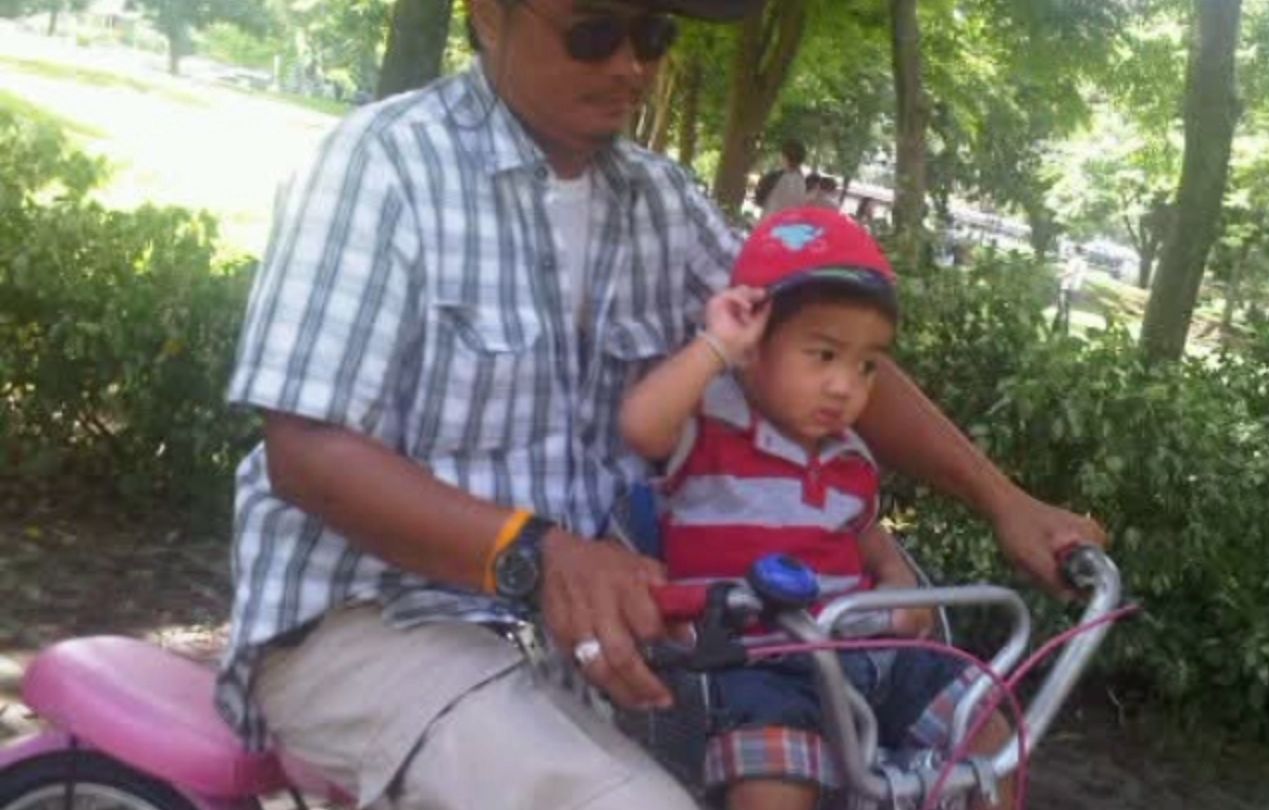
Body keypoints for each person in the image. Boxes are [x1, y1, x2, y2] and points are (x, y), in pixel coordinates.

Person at [219, 0, 1103, 807]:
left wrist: (1004, 501)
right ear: (488, 14)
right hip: (379, 619)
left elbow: (817, 344)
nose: (631, 65)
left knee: (953, 765)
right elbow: (307, 451)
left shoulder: (662, 200)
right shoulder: (380, 165)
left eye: (653, 34)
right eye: (594, 31)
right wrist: (539, 555)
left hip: (612, 629)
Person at [619, 207, 1012, 809]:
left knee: (990, 731)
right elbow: (640, 426)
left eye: (866, 365)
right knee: (771, 787)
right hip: (760, 663)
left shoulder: (848, 456)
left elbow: (867, 537)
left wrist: (898, 580)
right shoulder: (709, 426)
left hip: (869, 652)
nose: (844, 385)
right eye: (824, 356)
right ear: (754, 345)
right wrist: (717, 345)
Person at [760, 138, 809, 216]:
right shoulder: (801, 181)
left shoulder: (786, 179)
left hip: (775, 221)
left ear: (785, 157)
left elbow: (773, 208)